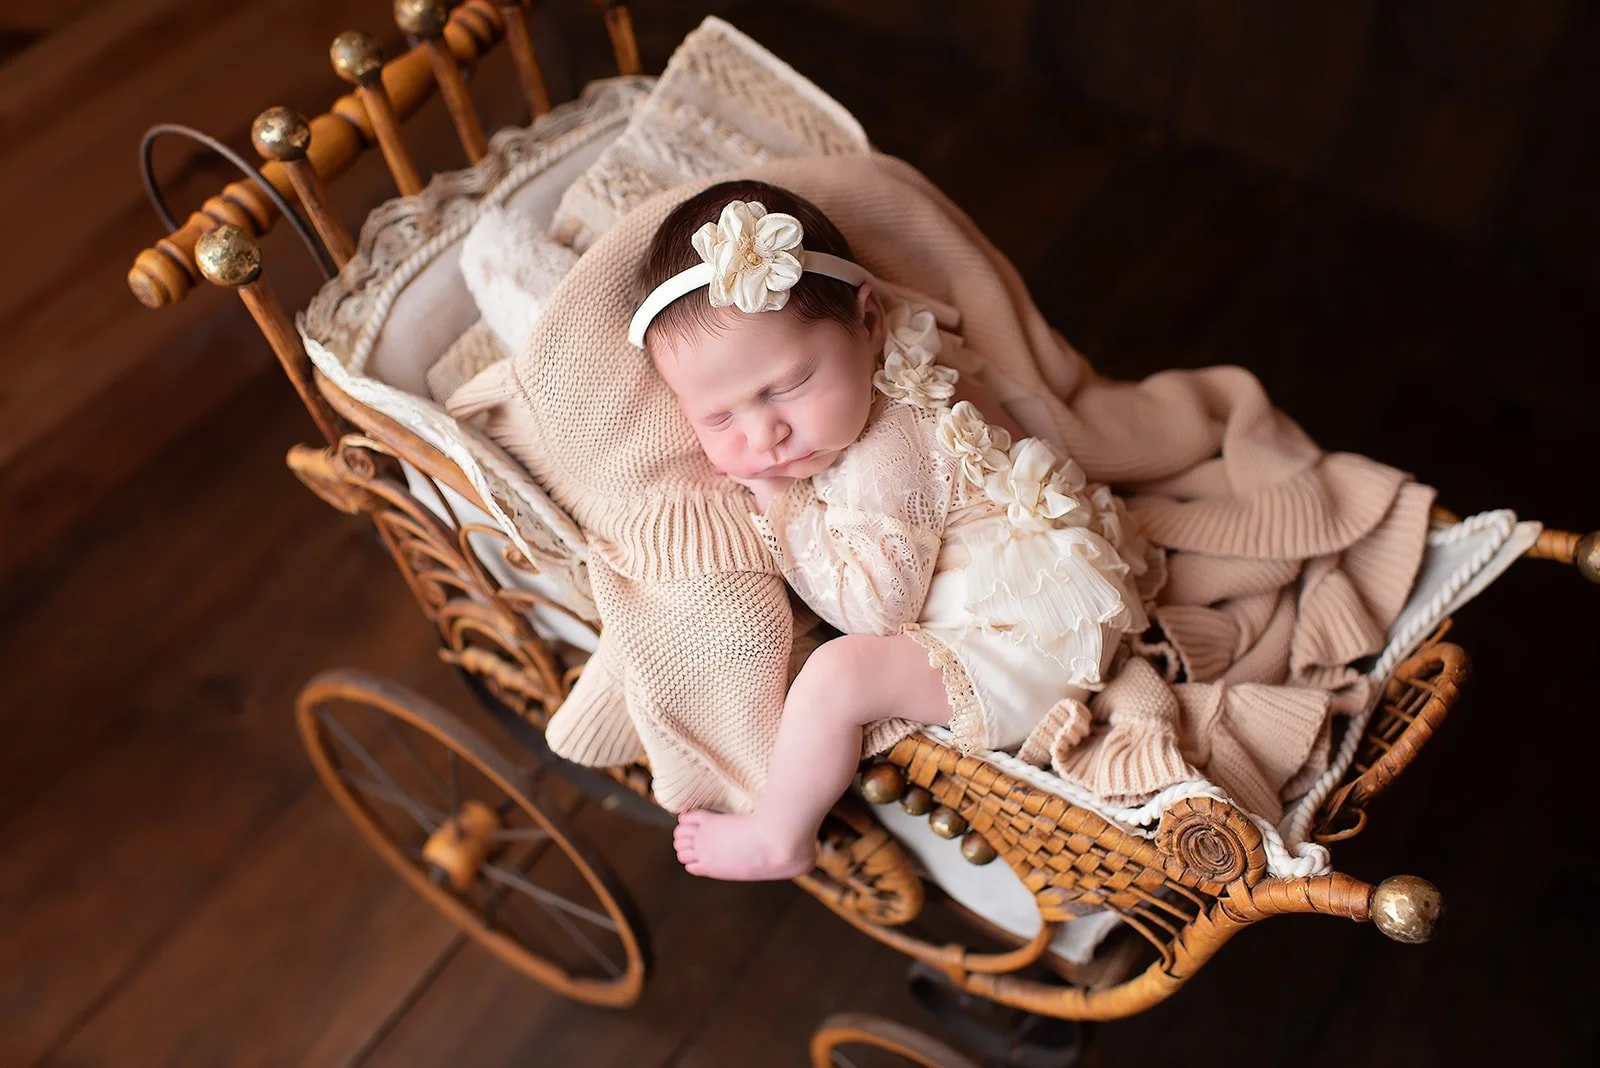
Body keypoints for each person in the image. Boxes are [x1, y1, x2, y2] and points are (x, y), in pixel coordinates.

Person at [630, 180, 1152, 880]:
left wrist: (778, 503)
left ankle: (781, 835)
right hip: (1065, 602)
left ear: (867, 320)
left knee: (838, 675)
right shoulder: (913, 367)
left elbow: (872, 613)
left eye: (787, 385)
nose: (765, 433)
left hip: (1031, 650)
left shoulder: (887, 450)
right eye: (718, 420)